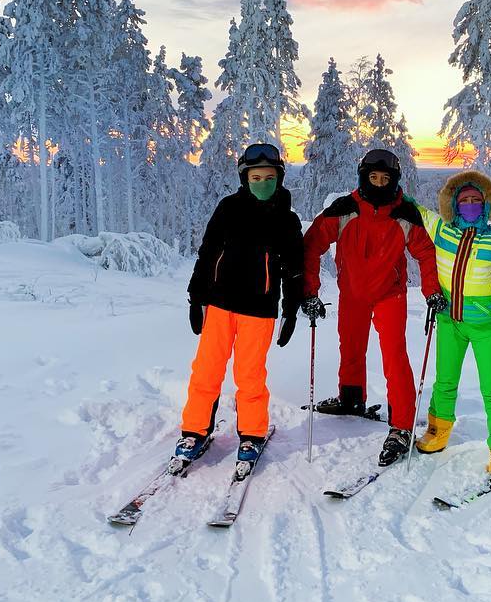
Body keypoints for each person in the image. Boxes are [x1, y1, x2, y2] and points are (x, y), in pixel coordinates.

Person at [301, 149, 448, 466]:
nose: (379, 184)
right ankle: (351, 399)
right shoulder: (344, 209)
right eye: (373, 178)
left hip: (389, 295)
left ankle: (402, 424)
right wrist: (309, 291)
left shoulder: (405, 214)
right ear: (363, 177)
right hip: (352, 292)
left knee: (394, 356)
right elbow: (311, 245)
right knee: (350, 346)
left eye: (386, 179)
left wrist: (431, 290)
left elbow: (425, 253)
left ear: (395, 180)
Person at [173, 143, 304, 475]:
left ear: (279, 178)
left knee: (249, 375)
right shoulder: (228, 208)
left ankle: (252, 435)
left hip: (259, 310)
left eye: (269, 177)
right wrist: (195, 296)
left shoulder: (287, 220)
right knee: (206, 370)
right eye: (256, 176)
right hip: (220, 304)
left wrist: (291, 310)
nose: (262, 182)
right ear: (245, 178)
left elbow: (294, 268)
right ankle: (195, 432)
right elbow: (207, 252)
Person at [412, 171, 491, 472]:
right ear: (454, 205)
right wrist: (391, 188)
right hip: (449, 322)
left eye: (476, 201)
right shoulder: (441, 230)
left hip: (485, 326)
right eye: (464, 200)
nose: (470, 204)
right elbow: (413, 210)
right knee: (444, 382)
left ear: (486, 206)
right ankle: (438, 431)